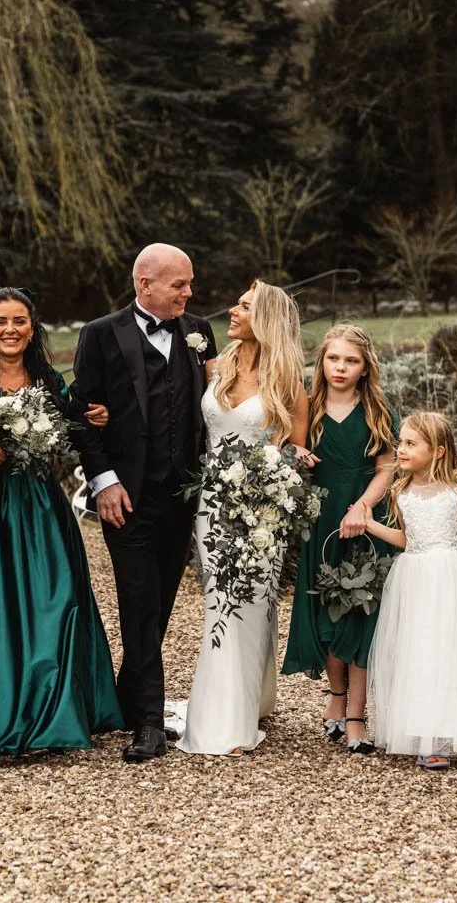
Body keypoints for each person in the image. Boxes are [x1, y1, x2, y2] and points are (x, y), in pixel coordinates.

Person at [0, 287, 123, 762]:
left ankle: (54, 720)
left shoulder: (50, 384)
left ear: (32, 328)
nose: (11, 329)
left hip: (42, 509)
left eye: (19, 320)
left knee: (56, 607)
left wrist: (94, 418)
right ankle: (4, 726)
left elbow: (76, 428)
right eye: (1, 321)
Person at [69, 245, 219, 763]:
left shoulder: (198, 332)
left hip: (183, 497)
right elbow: (79, 418)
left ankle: (128, 697)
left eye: (190, 283)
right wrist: (104, 481)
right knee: (139, 602)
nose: (188, 293)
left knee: (162, 601)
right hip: (125, 498)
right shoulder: (99, 335)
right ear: (144, 284)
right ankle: (149, 725)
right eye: (179, 284)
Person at [175, 279, 309, 756]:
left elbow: (296, 449)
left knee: (253, 604)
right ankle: (224, 711)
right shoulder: (214, 366)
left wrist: (284, 466)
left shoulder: (289, 383)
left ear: (266, 319)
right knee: (219, 602)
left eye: (245, 306)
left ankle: (240, 711)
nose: (232, 311)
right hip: (211, 504)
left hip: (261, 511)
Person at [282, 324, 397, 754]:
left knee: (361, 614)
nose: (341, 367)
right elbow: (285, 449)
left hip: (364, 519)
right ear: (322, 362)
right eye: (334, 359)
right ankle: (335, 696)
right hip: (322, 521)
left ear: (365, 367)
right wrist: (294, 453)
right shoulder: (307, 408)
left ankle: (355, 716)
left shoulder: (377, 410)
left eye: (351, 360)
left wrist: (363, 508)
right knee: (327, 613)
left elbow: (387, 468)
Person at [363, 412, 457, 770]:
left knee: (450, 649)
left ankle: (445, 732)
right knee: (418, 649)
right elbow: (408, 539)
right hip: (416, 577)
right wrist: (371, 525)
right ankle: (421, 729)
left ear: (438, 451)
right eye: (401, 442)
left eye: (411, 443)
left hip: (454, 577)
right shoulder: (401, 491)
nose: (401, 449)